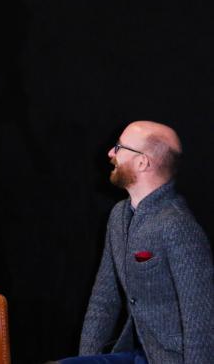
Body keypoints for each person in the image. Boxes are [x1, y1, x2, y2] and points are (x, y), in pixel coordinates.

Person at [56, 121, 213, 364]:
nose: (111, 153)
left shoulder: (177, 225)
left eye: (119, 147)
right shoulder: (119, 216)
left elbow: (201, 319)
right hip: (135, 354)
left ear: (142, 162)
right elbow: (103, 300)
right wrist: (86, 359)